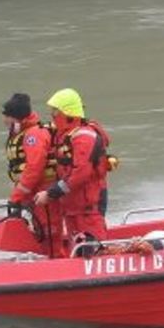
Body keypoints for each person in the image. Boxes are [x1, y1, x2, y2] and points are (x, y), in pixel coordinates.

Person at [33, 87, 112, 256]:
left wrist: (51, 193)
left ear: (67, 113)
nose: (52, 115)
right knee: (77, 248)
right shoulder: (66, 135)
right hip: (73, 206)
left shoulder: (83, 137)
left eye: (56, 111)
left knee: (92, 250)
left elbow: (80, 174)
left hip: (88, 205)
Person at [1, 92, 54, 211]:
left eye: (7, 117)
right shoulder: (22, 134)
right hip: (32, 191)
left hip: (41, 191)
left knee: (48, 227)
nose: (4, 120)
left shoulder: (34, 135)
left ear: (18, 117)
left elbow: (34, 168)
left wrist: (17, 195)